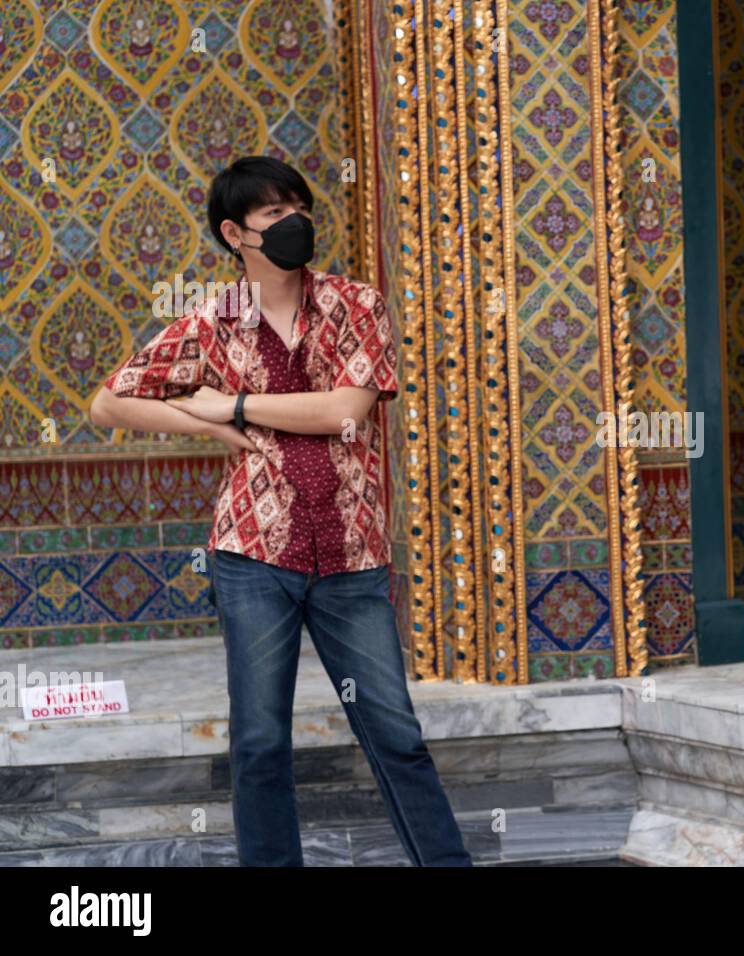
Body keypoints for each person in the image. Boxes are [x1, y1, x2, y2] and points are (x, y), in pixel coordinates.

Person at [90, 156, 472, 867]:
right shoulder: (214, 318)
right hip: (252, 557)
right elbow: (109, 400)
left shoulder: (357, 304)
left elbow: (343, 410)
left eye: (299, 206)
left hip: (352, 557)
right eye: (273, 213)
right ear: (236, 233)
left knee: (396, 734)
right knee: (260, 741)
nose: (294, 220)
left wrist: (232, 403)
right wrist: (205, 425)